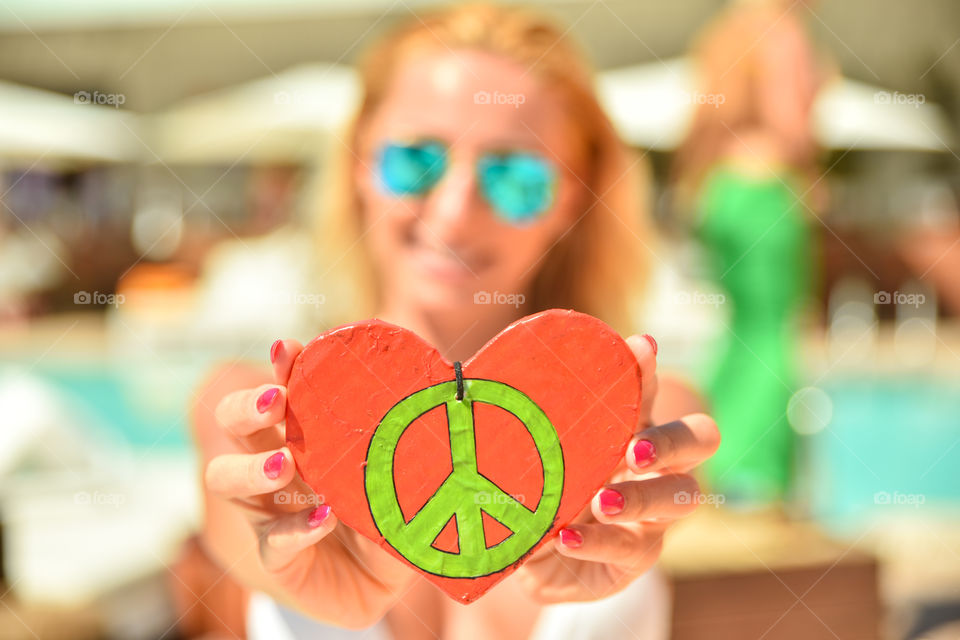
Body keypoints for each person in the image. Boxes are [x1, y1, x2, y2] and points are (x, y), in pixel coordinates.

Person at [192, 4, 720, 638]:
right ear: (360, 166)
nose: (454, 212)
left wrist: (636, 500)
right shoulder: (262, 421)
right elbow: (239, 528)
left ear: (570, 199)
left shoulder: (637, 419)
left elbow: (662, 495)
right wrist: (290, 561)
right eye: (416, 160)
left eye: (513, 176)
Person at [671, 0, 821, 504]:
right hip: (765, 190)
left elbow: (697, 127)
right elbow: (790, 125)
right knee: (772, 332)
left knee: (739, 331)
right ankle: (755, 473)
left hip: (721, 192)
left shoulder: (722, 35)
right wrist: (811, 173)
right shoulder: (784, 35)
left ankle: (712, 455)